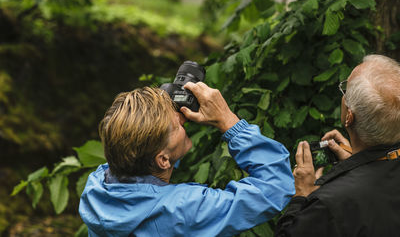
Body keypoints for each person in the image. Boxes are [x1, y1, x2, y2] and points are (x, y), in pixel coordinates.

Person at [79, 81, 295, 236]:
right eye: (176, 126)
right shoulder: (183, 209)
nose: (181, 118)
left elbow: (138, 155)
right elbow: (274, 186)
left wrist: (160, 120)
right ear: (162, 160)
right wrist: (229, 122)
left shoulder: (98, 186)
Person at [275, 54, 400, 237]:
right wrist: (357, 164)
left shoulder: (327, 205)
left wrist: (300, 196)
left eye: (345, 89)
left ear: (349, 116)